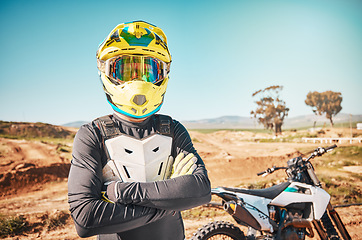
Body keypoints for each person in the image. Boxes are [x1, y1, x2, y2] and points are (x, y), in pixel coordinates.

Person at [67, 20, 211, 240]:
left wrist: (121, 192)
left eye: (148, 71)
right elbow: (86, 219)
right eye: (125, 70)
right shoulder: (92, 134)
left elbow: (200, 190)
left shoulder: (172, 129)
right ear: (107, 73)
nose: (138, 80)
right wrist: (169, 199)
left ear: (163, 74)